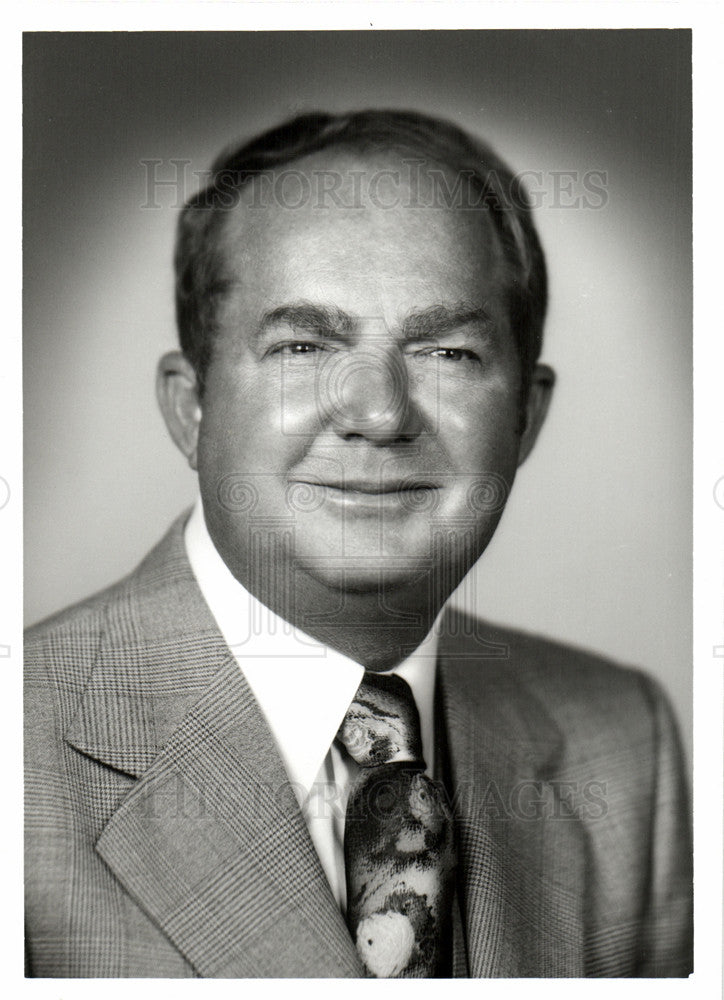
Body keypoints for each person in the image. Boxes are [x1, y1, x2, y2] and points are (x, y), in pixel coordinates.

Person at [24, 110, 692, 978]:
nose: (379, 414)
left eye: (448, 352)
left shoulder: (623, 740)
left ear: (526, 415)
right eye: (303, 346)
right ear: (191, 409)